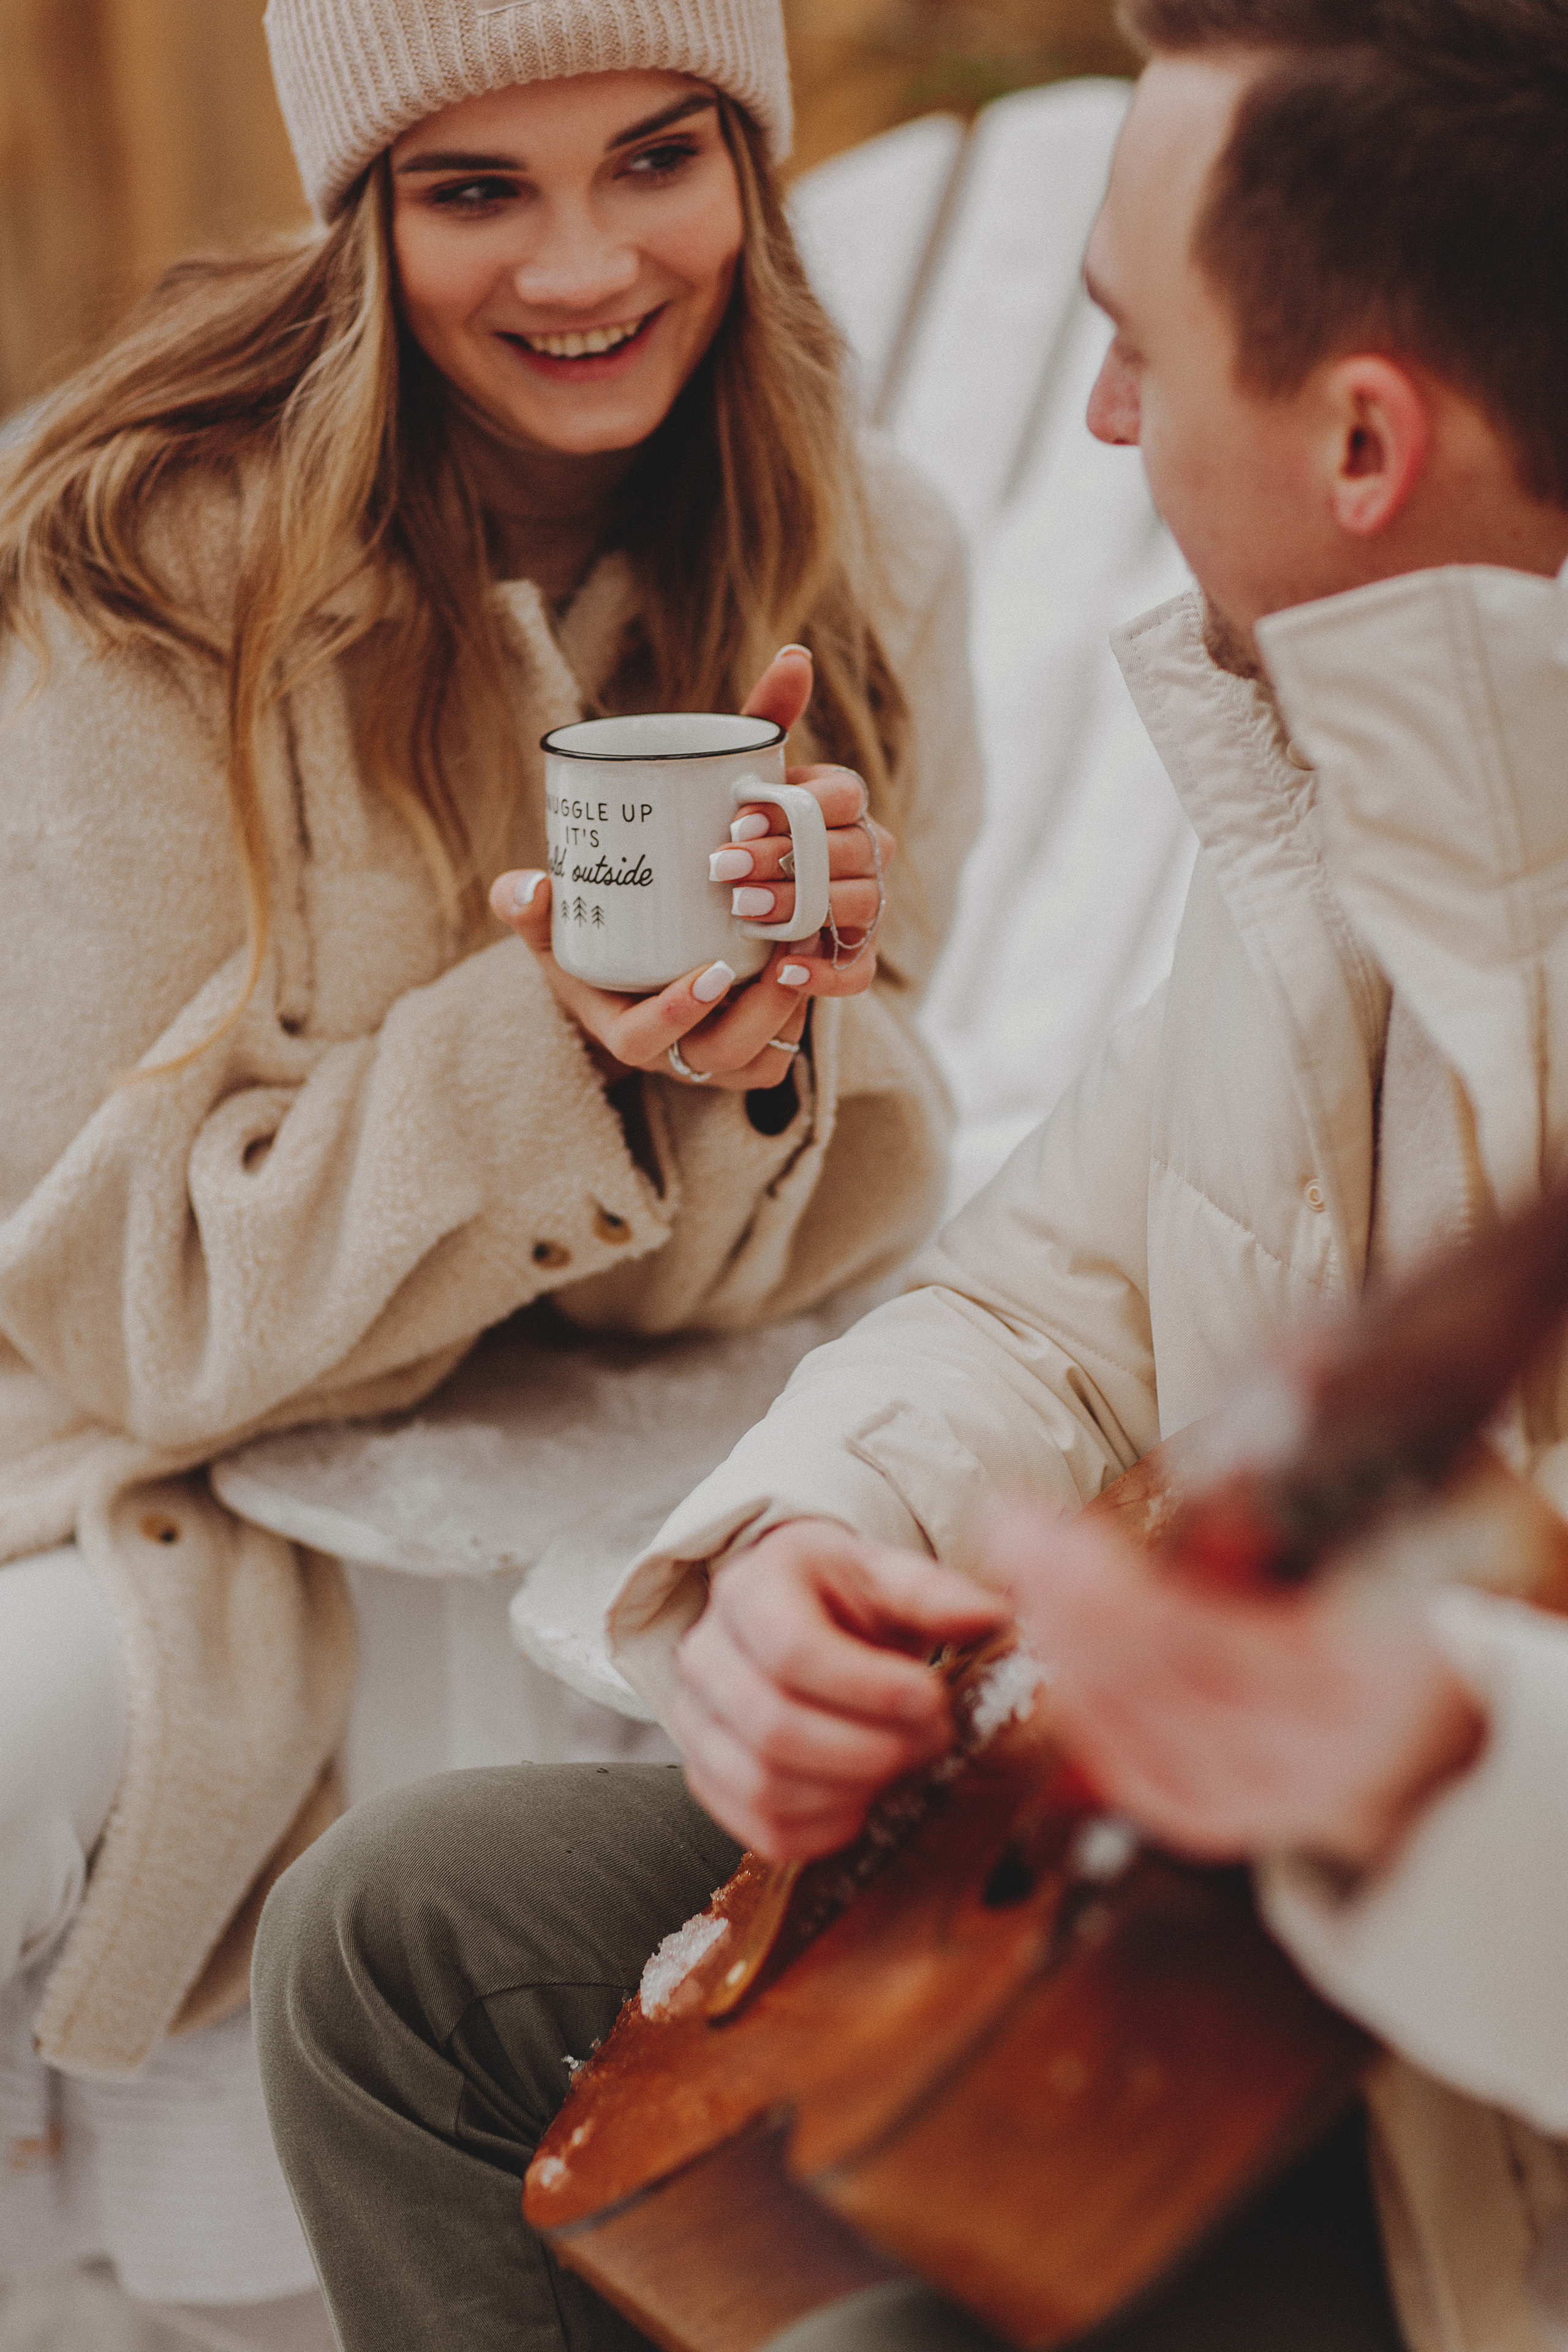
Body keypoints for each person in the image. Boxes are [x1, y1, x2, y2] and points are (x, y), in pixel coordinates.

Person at [252, 0, 1568, 2346]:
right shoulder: (1356, 787)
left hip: (1479, 2070)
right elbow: (1048, 1301)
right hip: (1180, 1890)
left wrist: (1420, 1775)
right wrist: (800, 1555)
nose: (1104, 422)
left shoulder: (968, 595)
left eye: (1139, 353)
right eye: (475, 186)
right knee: (405, 1942)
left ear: (1365, 438)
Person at [0, 0, 981, 2313]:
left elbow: (704, 1301)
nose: (582, 266)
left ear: (750, 161)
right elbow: (121, 1306)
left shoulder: (860, 553)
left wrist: (754, 1060)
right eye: (475, 190)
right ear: (364, 213)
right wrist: (535, 1044)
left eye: (658, 158)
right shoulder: (144, 562)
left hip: (603, 1469)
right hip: (142, 1475)